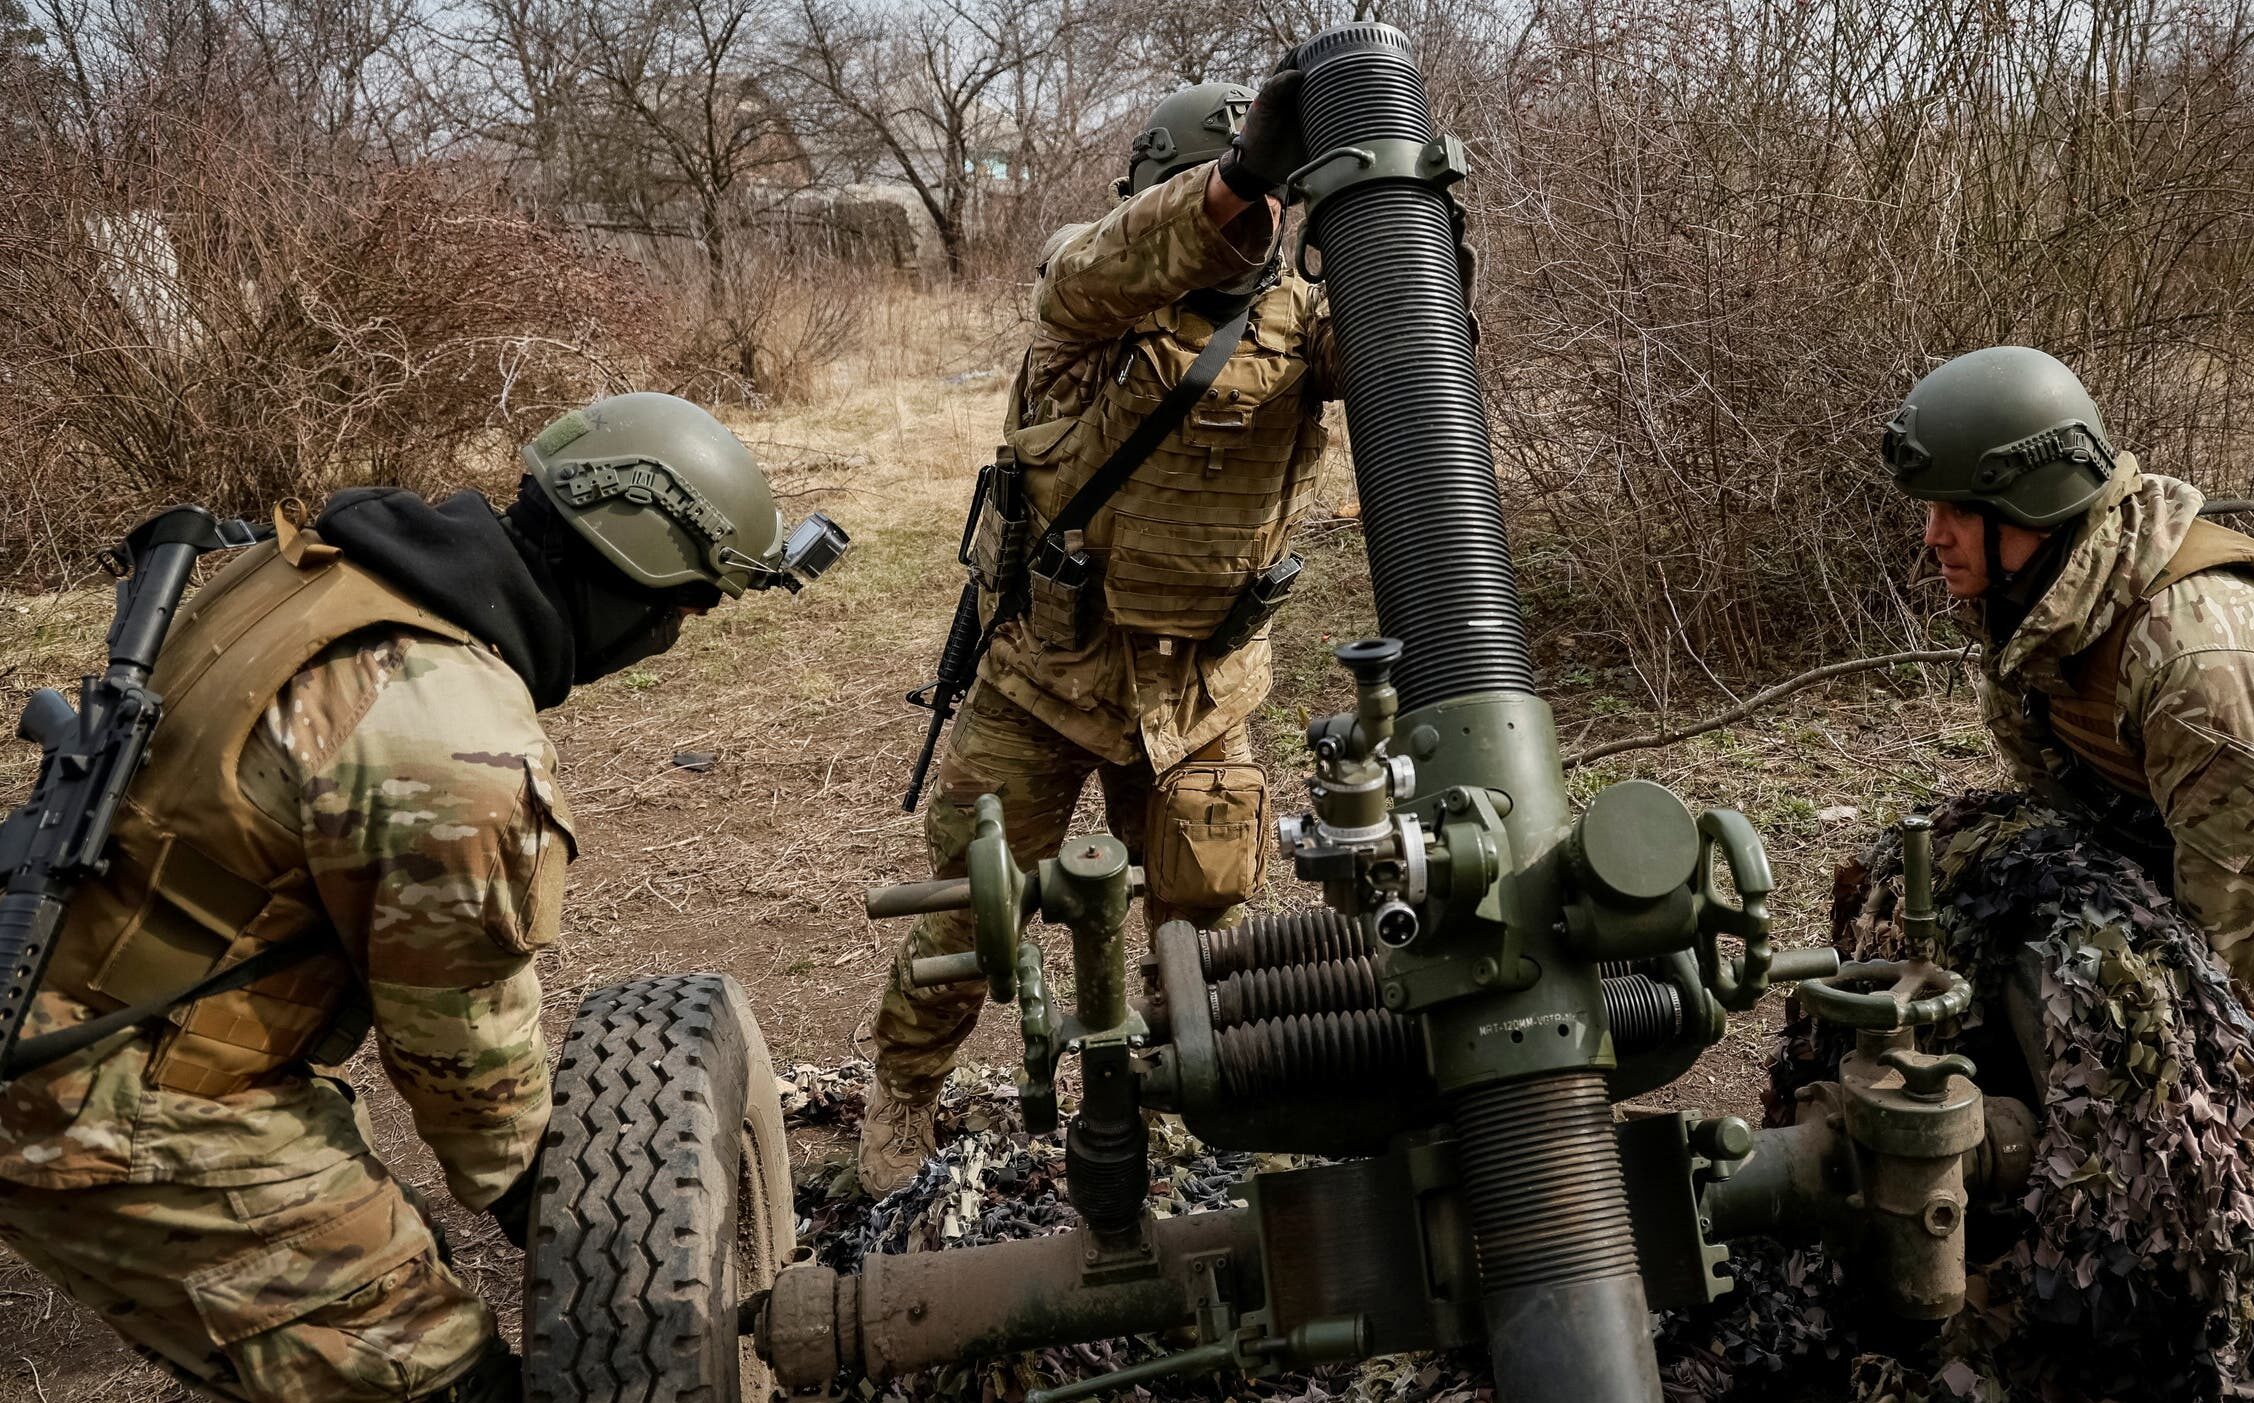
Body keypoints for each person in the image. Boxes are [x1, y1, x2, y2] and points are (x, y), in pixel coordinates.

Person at [0, 393, 812, 1403]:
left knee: (402, 1252)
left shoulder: (317, 566)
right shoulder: (453, 746)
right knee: (439, 1378)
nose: (679, 632)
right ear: (635, 579)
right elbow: (463, 1068)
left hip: (76, 985)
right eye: (690, 603)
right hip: (108, 1106)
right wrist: (602, 1230)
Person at [861, 71, 1340, 1197]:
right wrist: (1238, 180)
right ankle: (902, 1092)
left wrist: (1408, 229)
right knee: (970, 915)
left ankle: (1187, 1101)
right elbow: (1111, 259)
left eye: (1273, 204)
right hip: (1045, 675)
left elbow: (1409, 357)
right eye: (1227, 199)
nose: (1255, 223)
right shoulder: (1088, 293)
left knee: (1209, 934)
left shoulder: (1303, 316)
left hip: (1202, 690)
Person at [1885, 345, 2254, 1402]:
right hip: (2219, 860)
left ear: (2027, 508)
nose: (1930, 536)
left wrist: (2163, 1072)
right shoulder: (2043, 597)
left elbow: (2240, 925)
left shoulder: (2200, 653)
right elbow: (2070, 806)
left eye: (1951, 511)